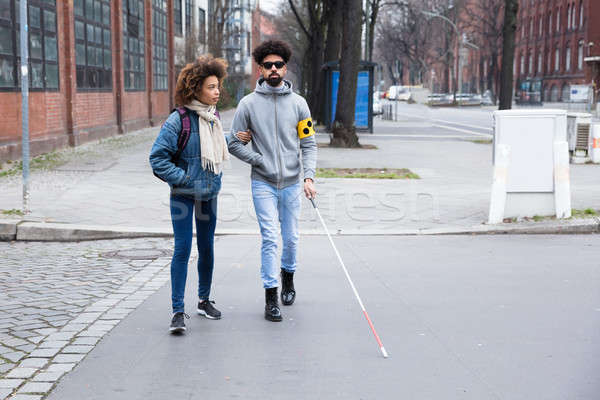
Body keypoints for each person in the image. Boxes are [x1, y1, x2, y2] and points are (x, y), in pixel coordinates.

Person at [149, 55, 251, 333]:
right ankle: (177, 311)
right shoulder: (177, 120)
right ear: (195, 89)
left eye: (218, 86)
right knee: (183, 250)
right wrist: (184, 180)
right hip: (183, 195)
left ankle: (204, 300)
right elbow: (158, 159)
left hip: (208, 194)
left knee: (207, 249)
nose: (217, 92)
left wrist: (236, 140)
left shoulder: (213, 117)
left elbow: (215, 148)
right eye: (211, 87)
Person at [227, 40, 317, 322]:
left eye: (278, 65)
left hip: (291, 182)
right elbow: (233, 143)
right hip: (263, 182)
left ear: (285, 68)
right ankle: (271, 296)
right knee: (270, 237)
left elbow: (309, 144)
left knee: (290, 238)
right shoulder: (248, 104)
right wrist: (258, 159)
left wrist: (309, 176)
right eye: (268, 65)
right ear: (260, 69)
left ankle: (288, 277)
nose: (274, 69)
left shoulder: (299, 104)